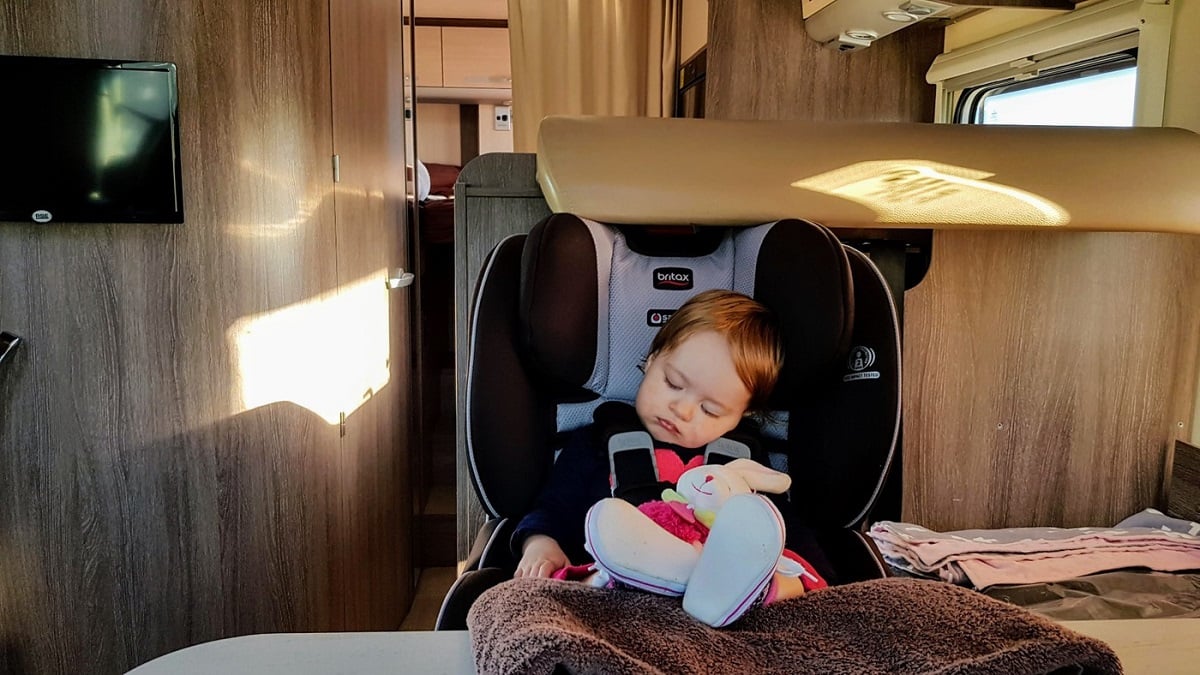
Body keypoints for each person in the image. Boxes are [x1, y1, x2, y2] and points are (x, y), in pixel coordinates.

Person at [511, 288, 829, 626]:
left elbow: (791, 540)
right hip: (610, 599)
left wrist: (794, 579)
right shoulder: (595, 444)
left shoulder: (742, 471)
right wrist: (540, 544)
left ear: (742, 414)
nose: (682, 409)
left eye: (711, 409)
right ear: (652, 358)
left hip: (708, 614)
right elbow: (553, 509)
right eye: (673, 383)